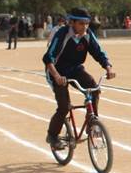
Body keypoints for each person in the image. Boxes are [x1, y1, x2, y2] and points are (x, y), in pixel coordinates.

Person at [43, 8, 116, 149]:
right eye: (81, 24)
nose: (85, 27)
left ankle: (92, 124)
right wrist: (57, 76)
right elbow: (48, 58)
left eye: (87, 23)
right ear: (72, 23)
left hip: (75, 69)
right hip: (56, 71)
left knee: (94, 89)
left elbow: (99, 52)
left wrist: (108, 67)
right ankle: (52, 136)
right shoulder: (62, 34)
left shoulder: (88, 35)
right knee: (64, 107)